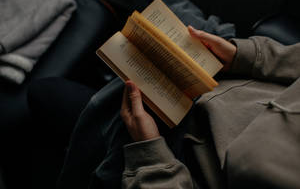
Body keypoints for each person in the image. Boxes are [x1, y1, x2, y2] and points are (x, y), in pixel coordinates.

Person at [28, 26, 300, 189]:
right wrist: (246, 57)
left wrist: (150, 155)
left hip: (175, 158)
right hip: (223, 84)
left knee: (44, 92)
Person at [119, 26, 300, 188]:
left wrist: (150, 157)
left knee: (120, 91)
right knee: (159, 13)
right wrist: (243, 56)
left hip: (181, 157)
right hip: (236, 75)